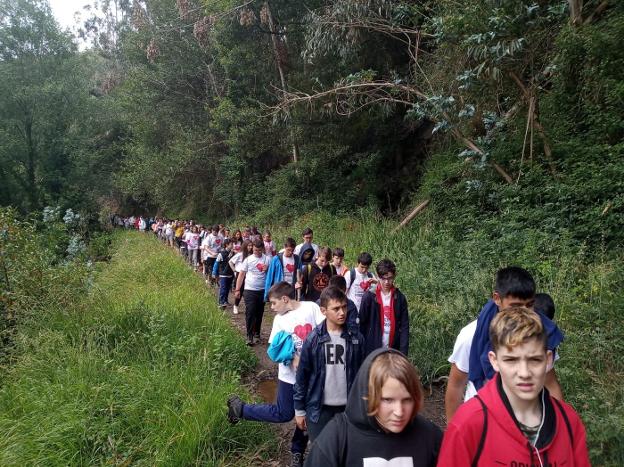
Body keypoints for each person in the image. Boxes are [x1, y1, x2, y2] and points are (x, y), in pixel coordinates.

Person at [438, 307, 590, 466]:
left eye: (535, 360)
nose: (524, 373)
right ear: (494, 361)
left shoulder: (569, 422)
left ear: (548, 360)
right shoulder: (468, 424)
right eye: (511, 360)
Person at [445, 266, 564, 423]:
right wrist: (453, 430)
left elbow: (550, 384)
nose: (524, 313)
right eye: (515, 306)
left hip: (525, 420)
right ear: (497, 298)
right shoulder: (470, 335)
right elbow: (456, 384)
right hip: (482, 419)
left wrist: (561, 426)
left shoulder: (540, 336)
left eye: (529, 305)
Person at [227, 282, 324, 467]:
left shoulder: (311, 308)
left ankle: (297, 452)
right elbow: (273, 349)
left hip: (313, 376)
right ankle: (241, 410)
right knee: (284, 413)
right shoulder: (280, 320)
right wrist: (292, 357)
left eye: (273, 303)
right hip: (289, 376)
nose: (271, 308)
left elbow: (324, 331)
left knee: (307, 414)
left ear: (285, 299)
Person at [305, 348, 442, 466]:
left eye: (407, 400)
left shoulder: (430, 437)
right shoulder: (337, 438)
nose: (399, 412)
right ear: (368, 395)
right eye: (388, 400)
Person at [294, 287, 365, 442]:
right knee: (322, 454)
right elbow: (302, 376)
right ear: (323, 310)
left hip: (348, 408)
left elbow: (363, 374)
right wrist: (299, 410)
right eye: (336, 309)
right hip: (319, 408)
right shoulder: (313, 339)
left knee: (347, 453)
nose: (342, 313)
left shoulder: (356, 338)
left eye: (344, 307)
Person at [359, 259, 409, 356]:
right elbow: (362, 325)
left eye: (390, 278)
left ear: (394, 277)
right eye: (383, 278)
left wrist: (403, 353)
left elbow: (404, 327)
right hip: (372, 350)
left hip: (394, 349)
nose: (386, 282)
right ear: (377, 277)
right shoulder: (369, 297)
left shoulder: (399, 298)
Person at [234, 239, 270, 345]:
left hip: (262, 290)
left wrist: (268, 269)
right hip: (249, 289)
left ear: (262, 249)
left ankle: (257, 333)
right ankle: (249, 335)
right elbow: (241, 275)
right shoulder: (248, 260)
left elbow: (271, 275)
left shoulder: (267, 259)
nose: (256, 252)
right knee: (250, 312)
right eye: (254, 250)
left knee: (259, 312)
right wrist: (237, 289)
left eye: (259, 250)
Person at [229, 240, 252, 315]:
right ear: (245, 246)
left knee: (248, 291)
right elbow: (230, 262)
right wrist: (234, 270)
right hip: (240, 274)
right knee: (239, 291)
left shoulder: (251, 255)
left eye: (251, 246)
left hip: (248, 274)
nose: (250, 247)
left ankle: (248, 307)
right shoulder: (240, 254)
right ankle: (236, 305)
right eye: (248, 246)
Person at [212, 238, 235, 308]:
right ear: (226, 245)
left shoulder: (233, 253)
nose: (232, 245)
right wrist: (214, 273)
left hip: (230, 274)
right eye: (231, 244)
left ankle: (225, 301)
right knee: (223, 288)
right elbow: (216, 263)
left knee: (228, 288)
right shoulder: (221, 254)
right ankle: (221, 302)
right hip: (223, 274)